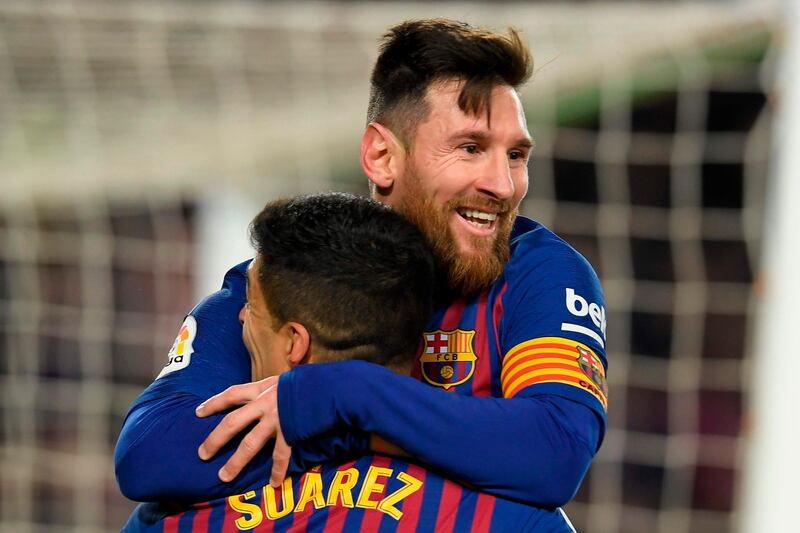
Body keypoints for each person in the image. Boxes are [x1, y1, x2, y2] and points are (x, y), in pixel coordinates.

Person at [116, 18, 607, 510]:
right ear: (381, 156)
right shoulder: (281, 277)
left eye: (516, 155)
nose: (503, 185)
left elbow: (553, 457)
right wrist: (358, 432)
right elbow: (151, 456)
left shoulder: (539, 275)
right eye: (470, 148)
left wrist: (336, 398)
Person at [121, 193, 575, 532]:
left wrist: (319, 423)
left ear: (296, 344)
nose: (239, 315)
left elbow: (144, 454)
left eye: (252, 307)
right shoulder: (511, 519)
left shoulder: (177, 518)